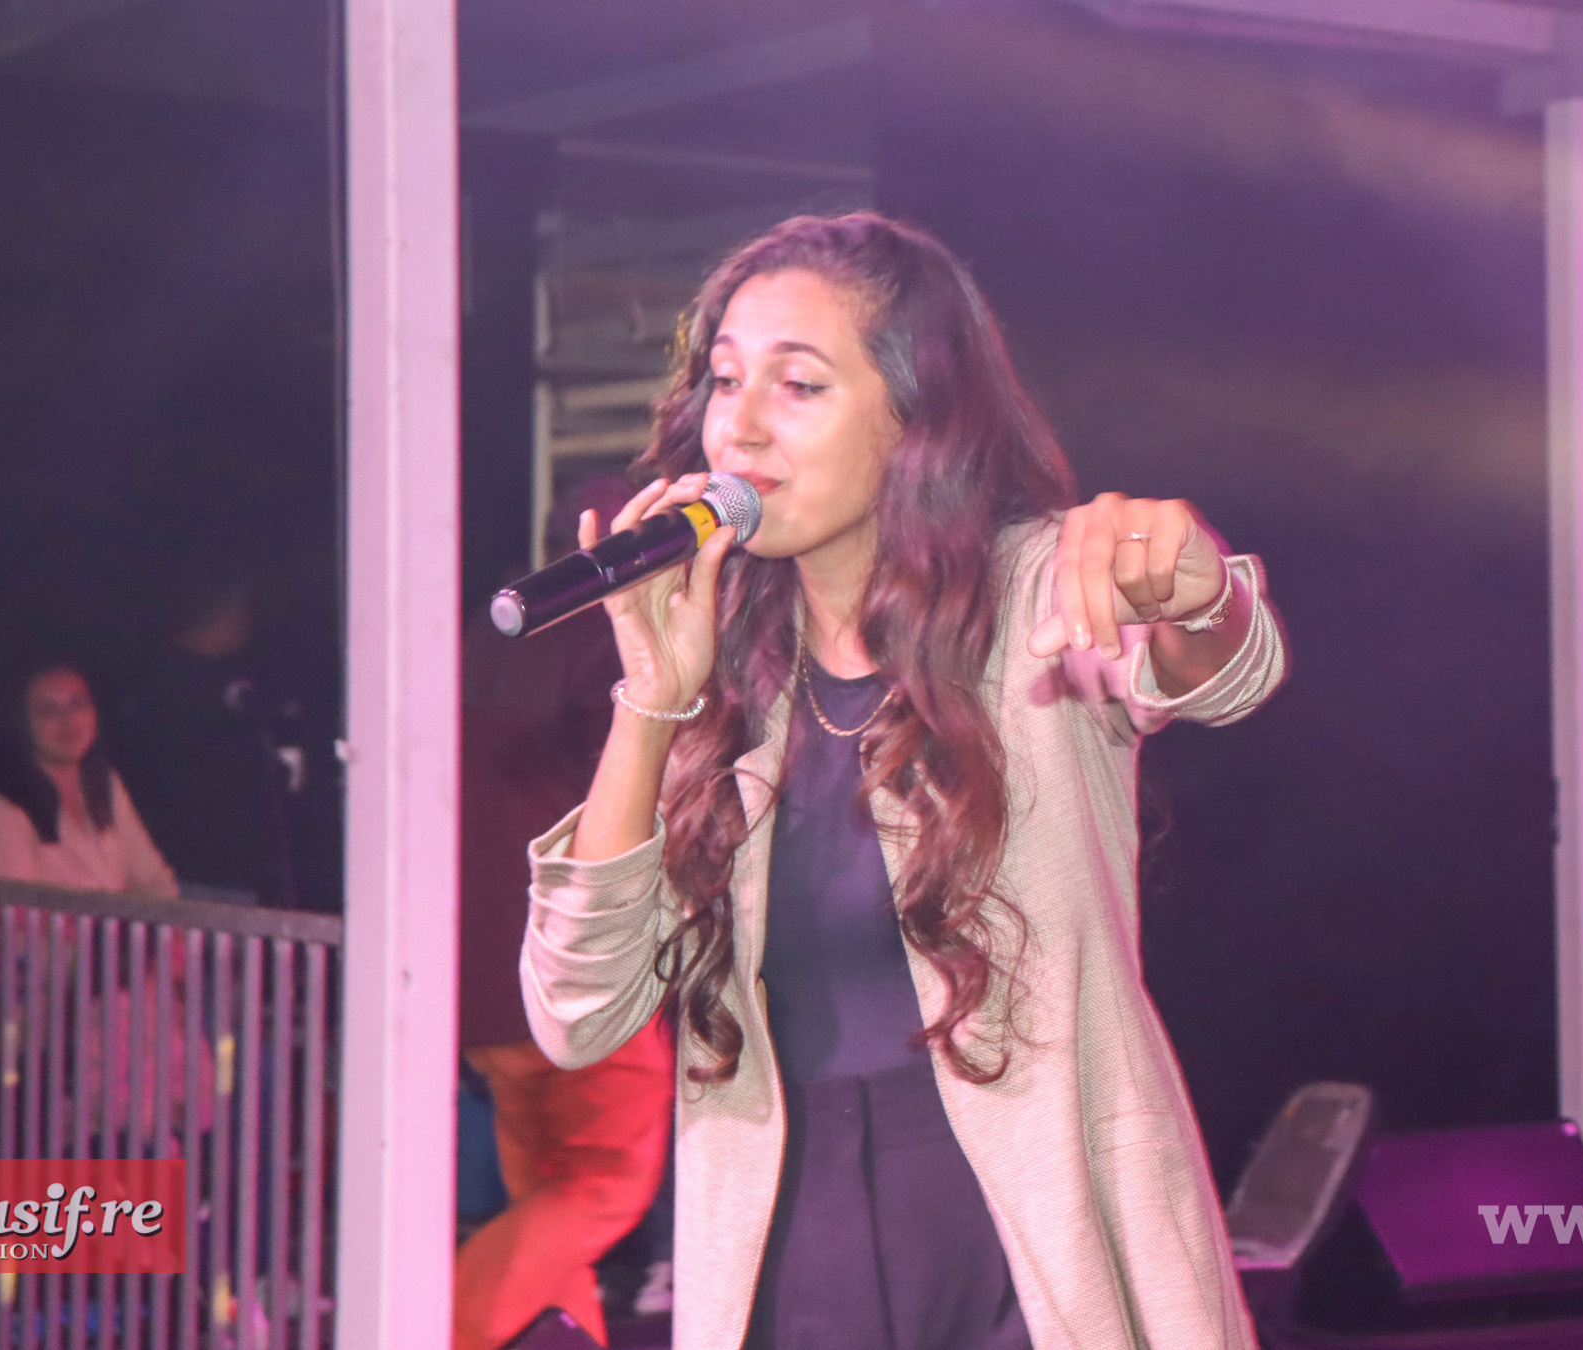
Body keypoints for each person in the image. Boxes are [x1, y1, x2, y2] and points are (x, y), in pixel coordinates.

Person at [518, 213, 1285, 1350]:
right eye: (726, 380)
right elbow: (575, 1017)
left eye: (799, 385)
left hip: (1030, 1246)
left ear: (914, 415)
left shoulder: (1033, 591)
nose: (742, 425)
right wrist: (653, 698)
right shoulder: (724, 671)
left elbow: (1231, 670)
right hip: (792, 1249)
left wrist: (1197, 586)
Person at [455, 490, 674, 1350]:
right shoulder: (603, 642)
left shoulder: (482, 634)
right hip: (573, 960)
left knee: (548, 1205)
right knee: (603, 1183)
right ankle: (432, 1321)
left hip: (482, 984)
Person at [118, 577, 299, 906]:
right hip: (195, 873)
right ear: (228, 612)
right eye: (245, 612)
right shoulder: (176, 684)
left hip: (222, 872)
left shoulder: (203, 677)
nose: (248, 625)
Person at [0, 660, 178, 898]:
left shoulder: (105, 785)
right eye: (48, 711)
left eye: (78, 704)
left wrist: (169, 921)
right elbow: (14, 914)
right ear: (21, 723)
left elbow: (153, 880)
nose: (69, 719)